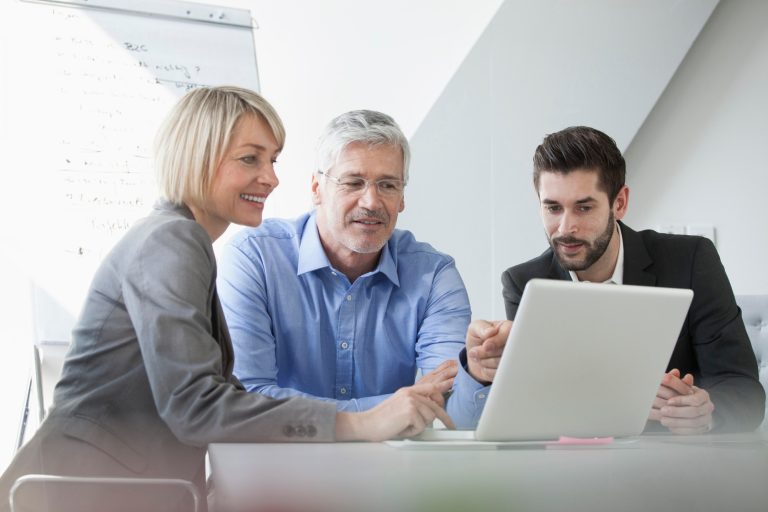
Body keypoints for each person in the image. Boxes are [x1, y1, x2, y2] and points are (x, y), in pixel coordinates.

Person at [0, 87, 454, 512]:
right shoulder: (172, 240)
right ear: (198, 158)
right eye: (250, 159)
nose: (271, 178)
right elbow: (196, 406)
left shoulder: (181, 240)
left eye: (273, 159)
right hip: (75, 492)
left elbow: (222, 395)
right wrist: (361, 422)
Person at [468, 125, 764, 434]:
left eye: (584, 208)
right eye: (553, 208)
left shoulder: (691, 260)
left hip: (674, 456)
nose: (565, 228)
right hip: (573, 457)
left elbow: (744, 390)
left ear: (619, 203)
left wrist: (707, 413)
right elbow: (537, 404)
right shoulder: (523, 283)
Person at [217, 110, 489, 428]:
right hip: (284, 459)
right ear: (316, 188)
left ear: (402, 197)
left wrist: (477, 374)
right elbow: (248, 399)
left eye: (387, 185)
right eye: (353, 182)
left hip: (389, 462)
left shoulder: (433, 275)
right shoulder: (255, 259)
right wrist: (381, 414)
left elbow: (450, 413)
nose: (371, 201)